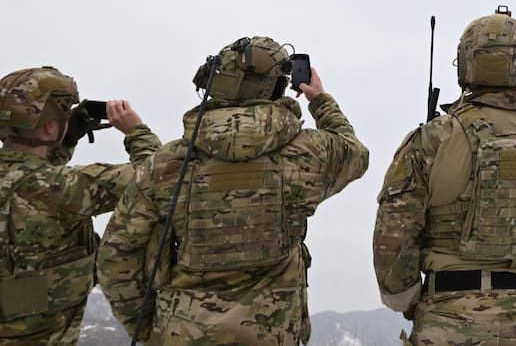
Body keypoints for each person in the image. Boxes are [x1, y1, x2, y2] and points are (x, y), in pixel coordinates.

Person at [97, 36, 368, 345]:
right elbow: (354, 153)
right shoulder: (308, 154)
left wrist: (147, 327)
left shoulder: (166, 165)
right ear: (278, 85)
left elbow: (115, 256)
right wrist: (320, 100)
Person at [374, 6, 516, 346]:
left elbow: (393, 235)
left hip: (449, 315)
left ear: (466, 62)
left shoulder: (432, 138)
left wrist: (407, 299)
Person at [0, 66, 160, 345]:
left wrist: (66, 137)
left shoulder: (49, 186)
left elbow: (24, 178)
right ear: (51, 126)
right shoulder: (67, 187)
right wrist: (137, 132)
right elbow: (157, 177)